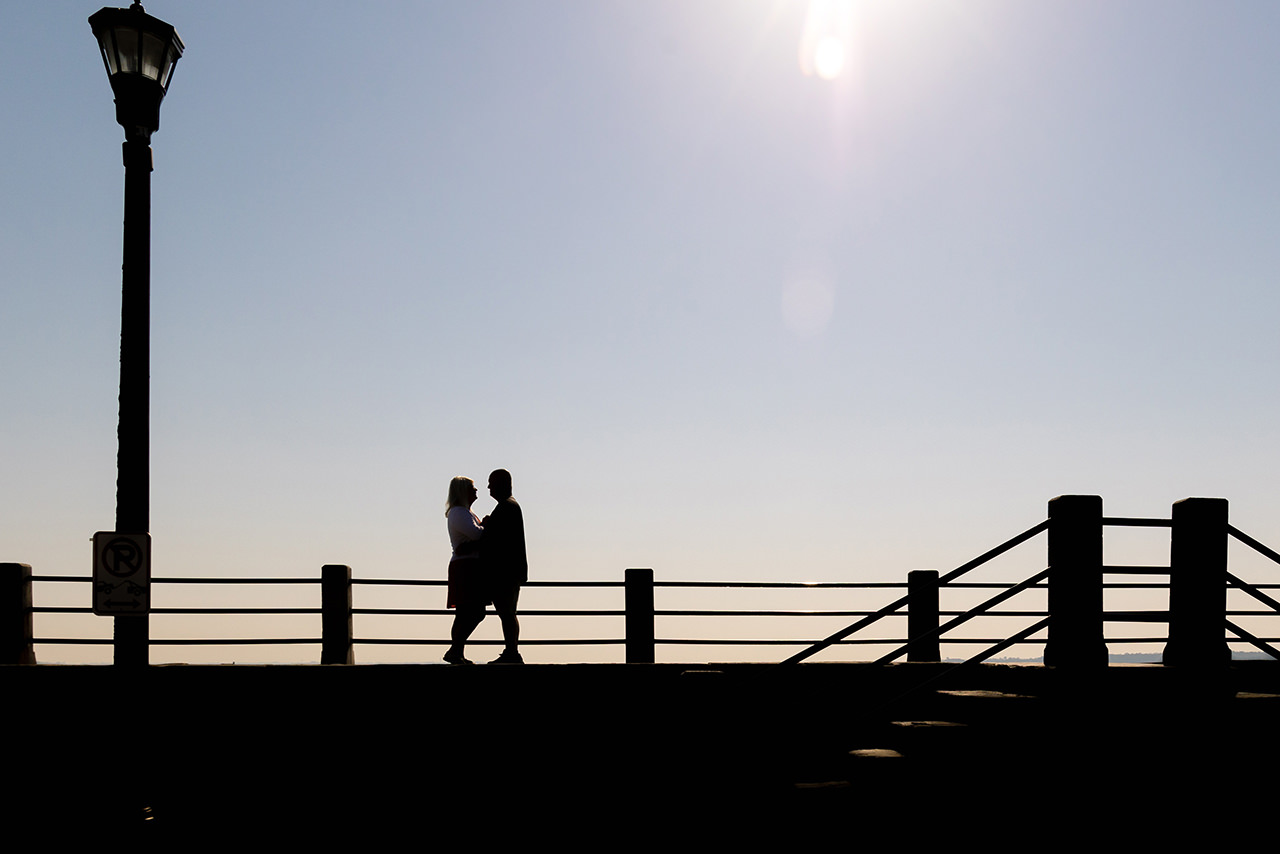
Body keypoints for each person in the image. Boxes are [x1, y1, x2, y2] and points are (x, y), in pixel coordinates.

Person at [480, 468, 527, 664]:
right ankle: (511, 651)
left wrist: (487, 525)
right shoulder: (510, 507)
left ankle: (512, 652)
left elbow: (496, 539)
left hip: (505, 572)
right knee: (508, 613)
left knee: (507, 613)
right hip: (511, 571)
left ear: (501, 484)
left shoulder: (506, 508)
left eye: (491, 482)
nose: (489, 487)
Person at [443, 476, 486, 664]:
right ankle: (455, 650)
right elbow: (477, 535)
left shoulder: (463, 512)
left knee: (467, 612)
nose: (476, 491)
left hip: (468, 565)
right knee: (472, 611)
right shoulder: (459, 513)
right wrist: (487, 525)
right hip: (465, 567)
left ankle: (456, 651)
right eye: (472, 488)